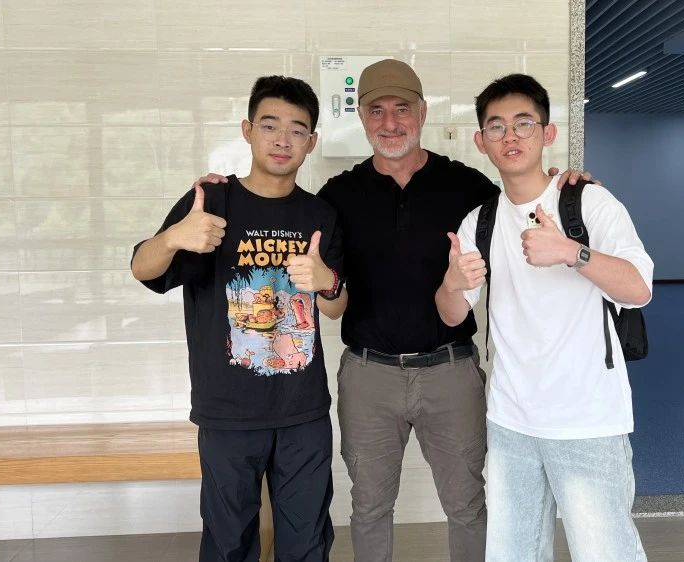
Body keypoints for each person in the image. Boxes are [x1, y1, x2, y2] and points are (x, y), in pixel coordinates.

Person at [193, 59, 593, 562]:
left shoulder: (467, 187)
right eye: (376, 111)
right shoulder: (336, 198)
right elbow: (328, 296)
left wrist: (560, 183)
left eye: (402, 109)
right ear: (361, 118)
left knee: (468, 505)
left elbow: (523, 208)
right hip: (369, 375)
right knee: (369, 508)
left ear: (422, 113)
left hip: (450, 372)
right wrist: (223, 193)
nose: (390, 122)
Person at [435, 73, 652, 561]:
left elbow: (640, 288)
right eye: (496, 127)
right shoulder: (479, 221)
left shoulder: (588, 201)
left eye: (524, 123)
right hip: (511, 420)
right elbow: (452, 315)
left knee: (606, 554)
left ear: (547, 133)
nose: (510, 136)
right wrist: (451, 282)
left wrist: (572, 252)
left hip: (588, 421)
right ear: (481, 142)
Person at [131, 75, 346, 562]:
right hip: (227, 410)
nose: (282, 139)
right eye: (270, 125)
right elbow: (142, 269)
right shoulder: (212, 201)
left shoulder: (320, 214)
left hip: (303, 411)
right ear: (248, 131)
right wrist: (174, 238)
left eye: (297, 130)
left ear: (311, 142)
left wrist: (326, 280)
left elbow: (336, 307)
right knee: (229, 543)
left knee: (308, 541)